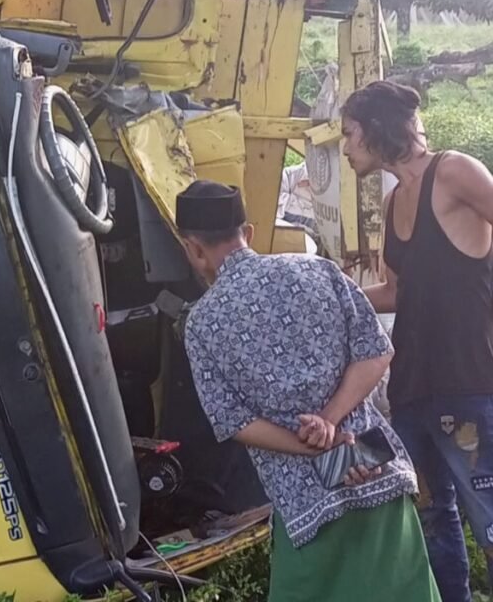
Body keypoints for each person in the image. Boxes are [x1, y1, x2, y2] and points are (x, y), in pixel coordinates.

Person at [176, 179, 440, 601]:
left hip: (305, 499)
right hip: (372, 464)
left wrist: (314, 446)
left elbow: (233, 421)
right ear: (250, 232)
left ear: (192, 248)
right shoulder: (316, 270)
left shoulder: (203, 324)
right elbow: (376, 352)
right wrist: (331, 421)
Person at [344, 80, 493, 602]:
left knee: (490, 521)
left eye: (349, 134)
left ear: (376, 130)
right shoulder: (393, 203)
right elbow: (397, 292)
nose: (344, 147)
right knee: (432, 517)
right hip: (412, 391)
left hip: (470, 384)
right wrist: (335, 289)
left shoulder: (453, 171)